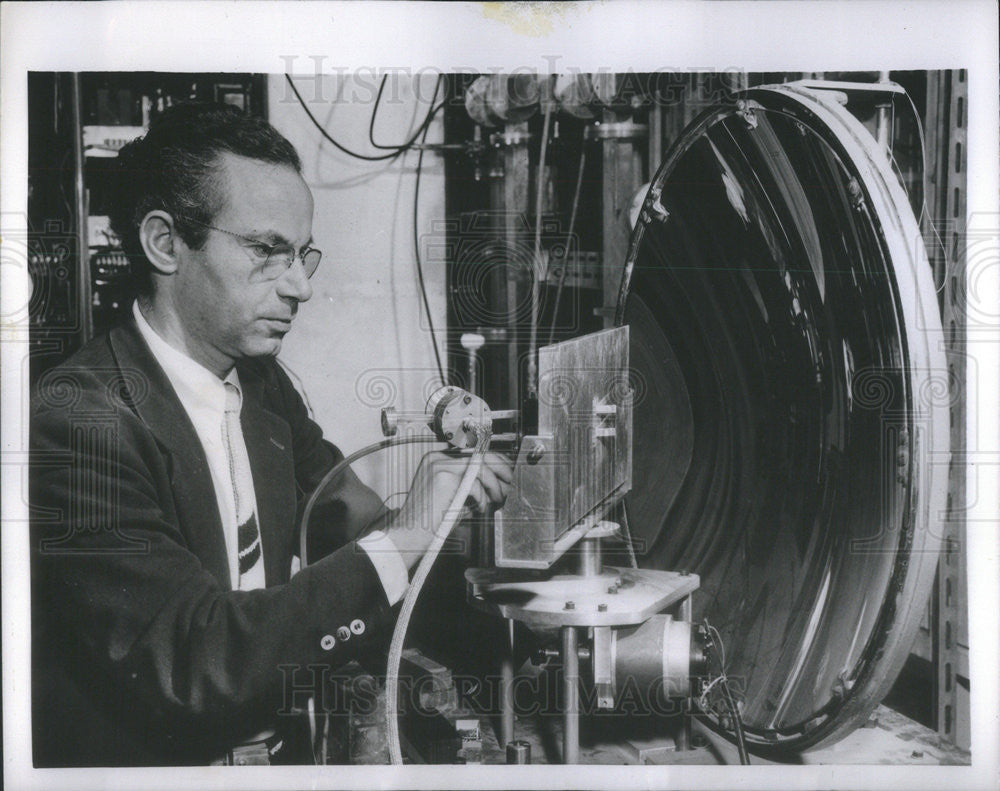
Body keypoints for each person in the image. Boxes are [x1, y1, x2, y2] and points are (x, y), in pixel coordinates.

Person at [29, 102, 512, 767]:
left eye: (302, 255)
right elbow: (196, 660)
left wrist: (447, 504)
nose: (300, 287)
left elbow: (352, 534)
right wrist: (404, 537)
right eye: (266, 251)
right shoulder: (79, 421)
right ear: (165, 243)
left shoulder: (263, 386)